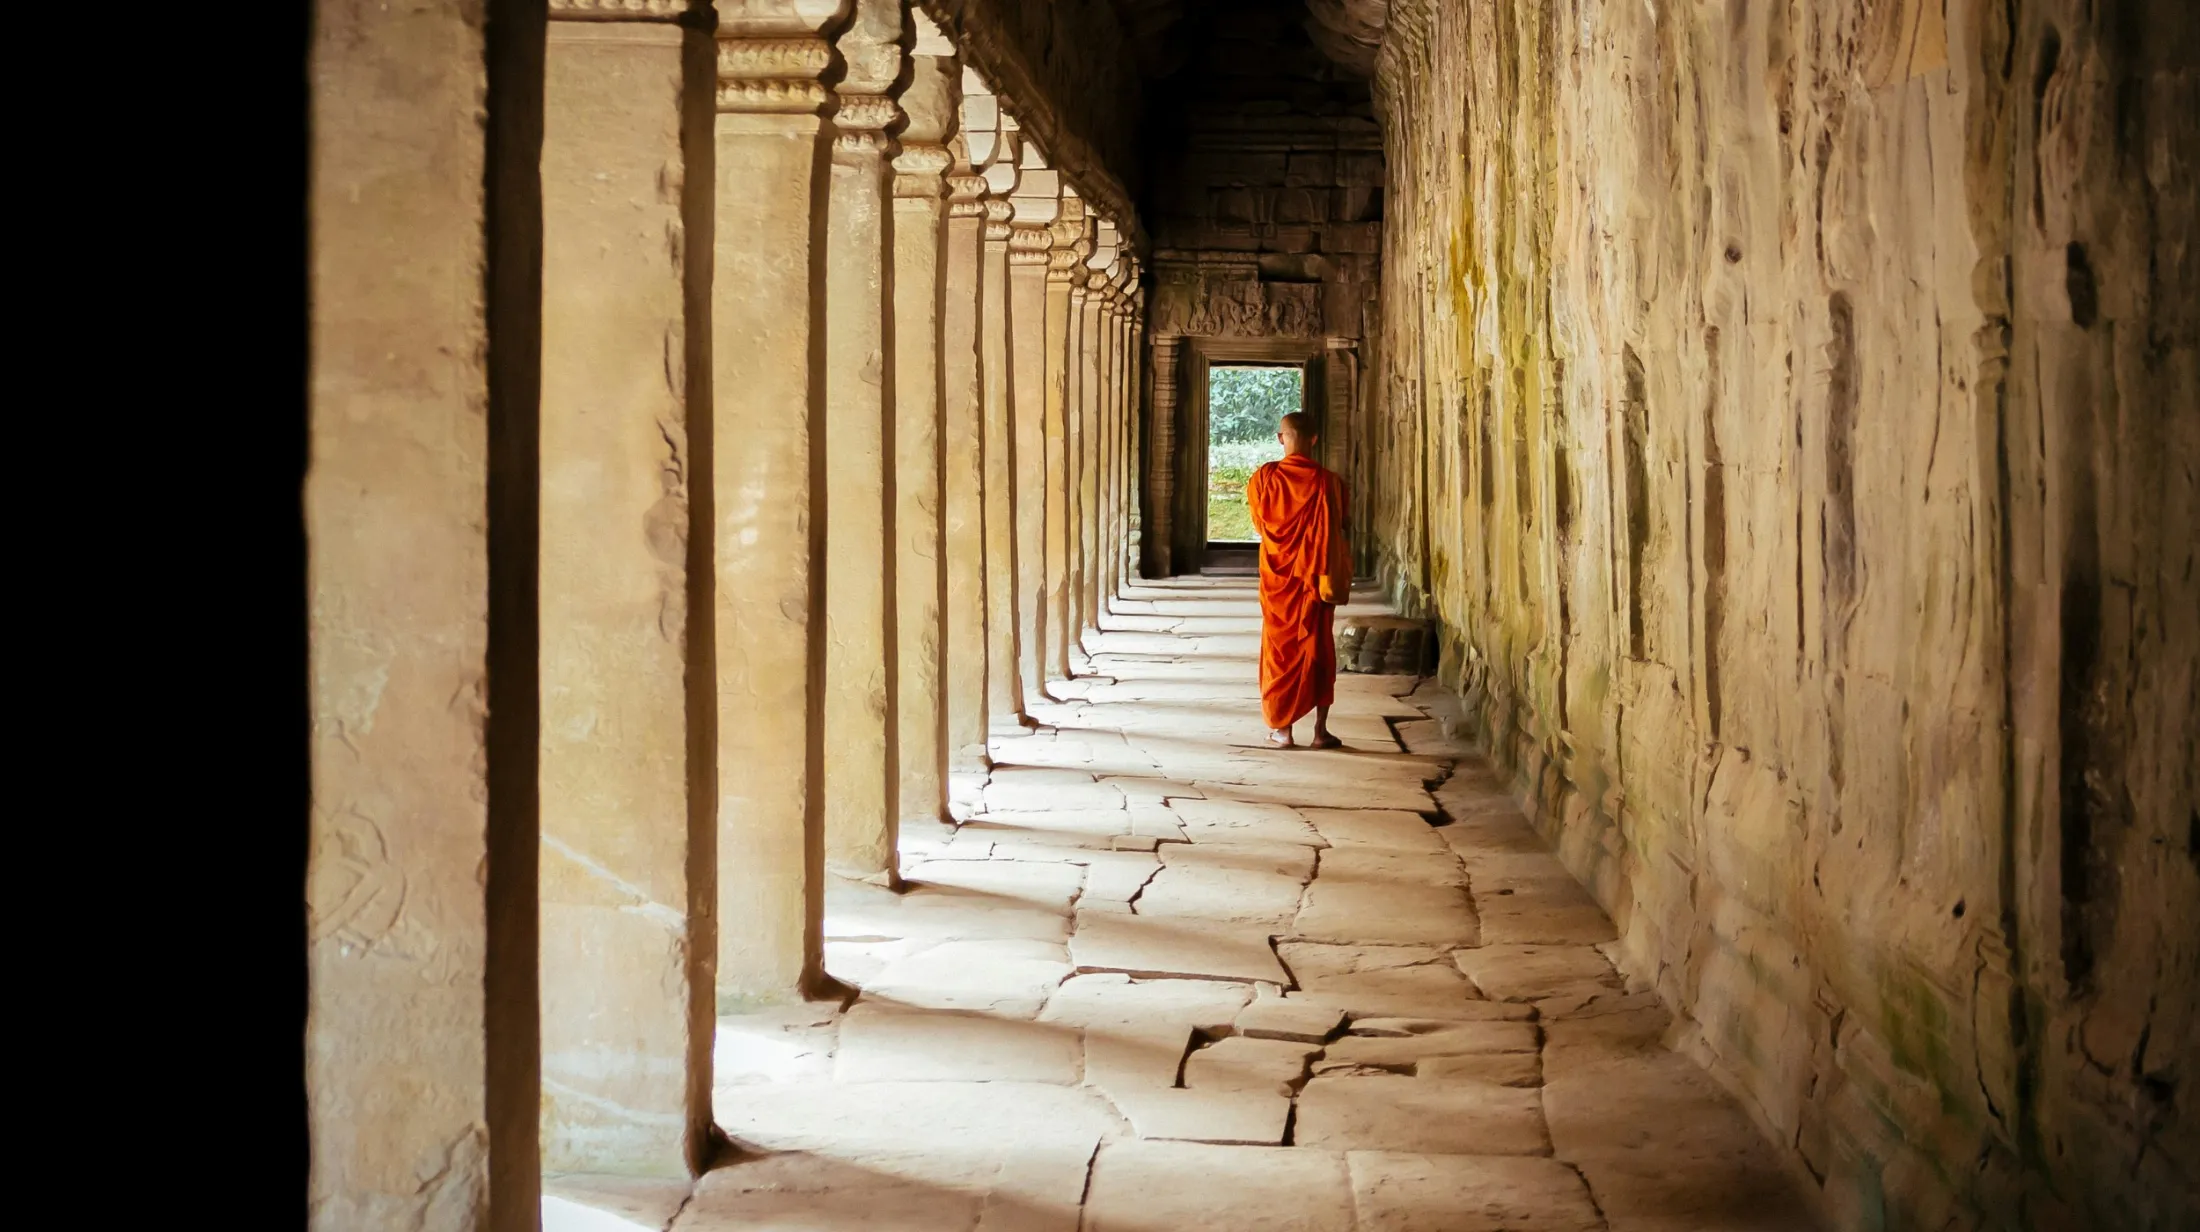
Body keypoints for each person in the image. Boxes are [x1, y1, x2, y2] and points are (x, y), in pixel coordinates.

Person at [1244, 411, 1350, 748]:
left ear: (1280, 438)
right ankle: (1320, 732)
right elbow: (1340, 524)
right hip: (1312, 583)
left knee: (1280, 650)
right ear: (1314, 439)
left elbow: (1261, 525)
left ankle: (1283, 730)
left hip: (1279, 583)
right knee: (1318, 650)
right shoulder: (1329, 482)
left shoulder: (1264, 479)